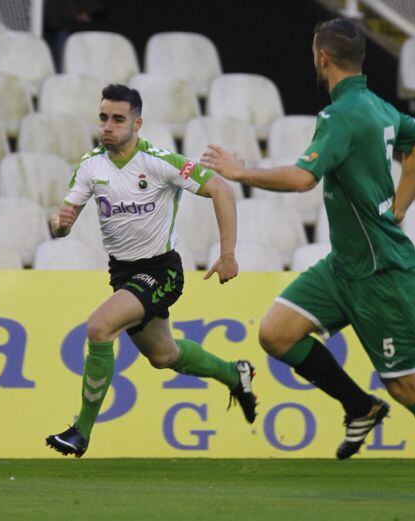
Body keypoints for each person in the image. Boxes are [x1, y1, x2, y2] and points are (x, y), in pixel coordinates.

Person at [201, 18, 415, 504]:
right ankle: (358, 406)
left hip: (381, 275)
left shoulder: (342, 115)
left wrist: (240, 170)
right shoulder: (377, 107)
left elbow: (302, 179)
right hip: (345, 265)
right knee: (276, 332)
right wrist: (398, 207)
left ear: (321, 57)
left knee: (406, 384)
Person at [45, 84, 258, 458]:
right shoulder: (90, 165)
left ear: (137, 123)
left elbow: (221, 190)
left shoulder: (159, 161)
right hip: (123, 274)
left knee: (99, 327)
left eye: (117, 119)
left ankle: (81, 430)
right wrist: (59, 224)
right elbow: (62, 225)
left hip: (161, 271)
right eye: (103, 117)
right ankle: (234, 374)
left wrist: (228, 254)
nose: (108, 126)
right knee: (164, 356)